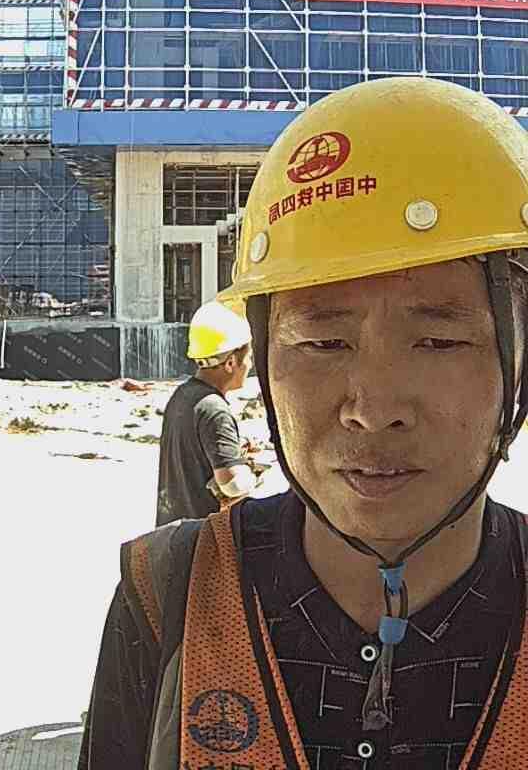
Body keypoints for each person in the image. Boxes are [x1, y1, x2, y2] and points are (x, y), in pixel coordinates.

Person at [78, 76, 528, 770]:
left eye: (438, 341)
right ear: (265, 358)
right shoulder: (169, 592)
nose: (372, 410)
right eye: (322, 342)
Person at [156, 300, 258, 525]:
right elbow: (232, 485)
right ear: (231, 362)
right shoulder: (215, 410)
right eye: (249, 357)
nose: (250, 365)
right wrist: (250, 474)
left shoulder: (183, 395)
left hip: (173, 533)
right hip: (201, 537)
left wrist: (233, 451)